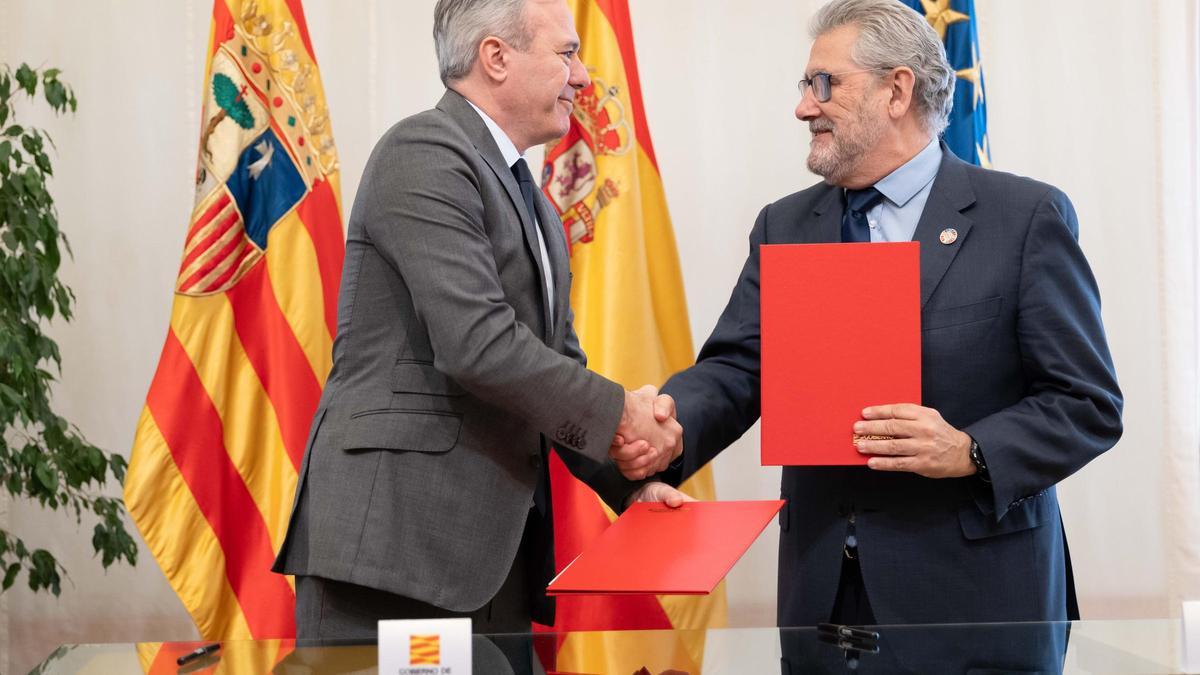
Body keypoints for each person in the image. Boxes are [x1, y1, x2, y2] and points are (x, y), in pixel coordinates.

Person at [652, 0, 1123, 626]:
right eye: (804, 85)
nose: (803, 107)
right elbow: (741, 369)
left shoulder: (1023, 219)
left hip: (976, 601)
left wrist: (970, 449)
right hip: (823, 597)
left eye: (825, 85)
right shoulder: (786, 224)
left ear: (897, 91)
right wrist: (662, 428)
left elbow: (1086, 404)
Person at [272, 0, 687, 640]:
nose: (582, 78)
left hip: (492, 559)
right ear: (496, 57)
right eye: (566, 54)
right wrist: (623, 417)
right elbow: (478, 345)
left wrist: (629, 481)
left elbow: (554, 365)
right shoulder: (425, 152)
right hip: (395, 552)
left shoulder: (535, 203)